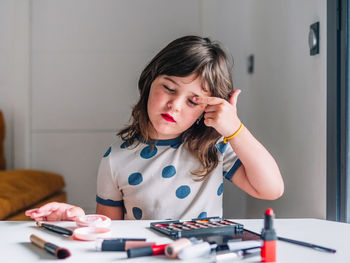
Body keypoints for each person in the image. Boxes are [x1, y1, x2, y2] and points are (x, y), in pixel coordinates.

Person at [25, 35, 284, 221]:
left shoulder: (214, 147)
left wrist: (235, 129)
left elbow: (271, 189)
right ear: (149, 82)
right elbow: (109, 232)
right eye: (169, 88)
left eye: (193, 100)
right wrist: (76, 218)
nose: (174, 105)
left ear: (206, 108)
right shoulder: (115, 159)